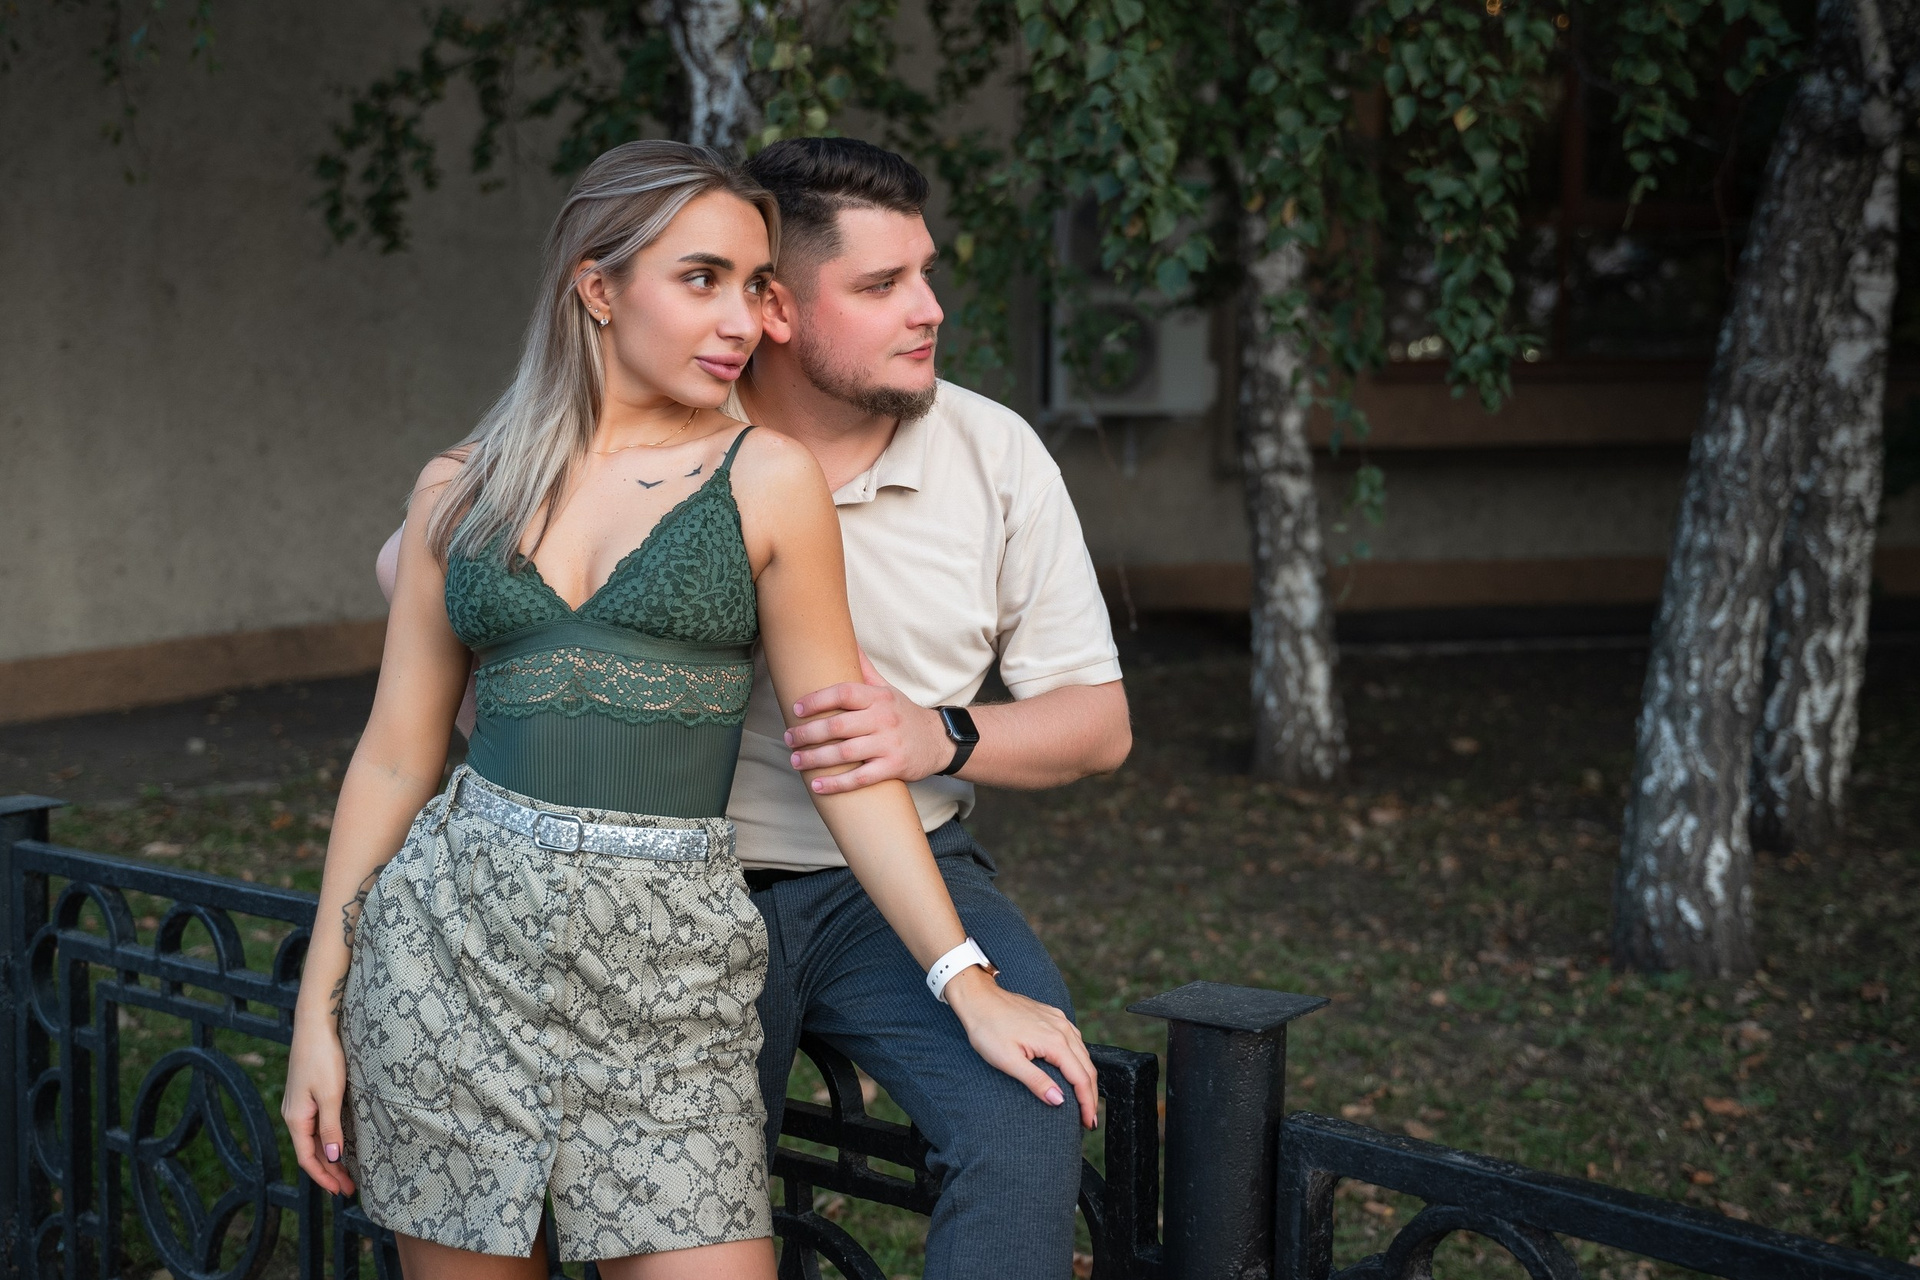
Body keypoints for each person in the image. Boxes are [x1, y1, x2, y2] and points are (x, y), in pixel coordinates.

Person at [286, 140, 1096, 1280]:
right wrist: (317, 1015)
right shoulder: (460, 485)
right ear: (598, 287)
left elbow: (843, 756)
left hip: (671, 970)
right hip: (450, 959)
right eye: (702, 279)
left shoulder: (767, 477)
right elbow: (390, 759)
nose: (740, 320)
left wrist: (966, 979)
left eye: (756, 285)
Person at [728, 138, 1131, 1280]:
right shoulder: (671, 424)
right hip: (686, 888)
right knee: (687, 1191)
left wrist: (937, 732)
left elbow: (1099, 723)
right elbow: (443, 552)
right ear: (777, 308)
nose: (930, 310)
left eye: (926, 272)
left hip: (904, 880)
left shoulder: (992, 449)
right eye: (881, 285)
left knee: (1032, 1105)